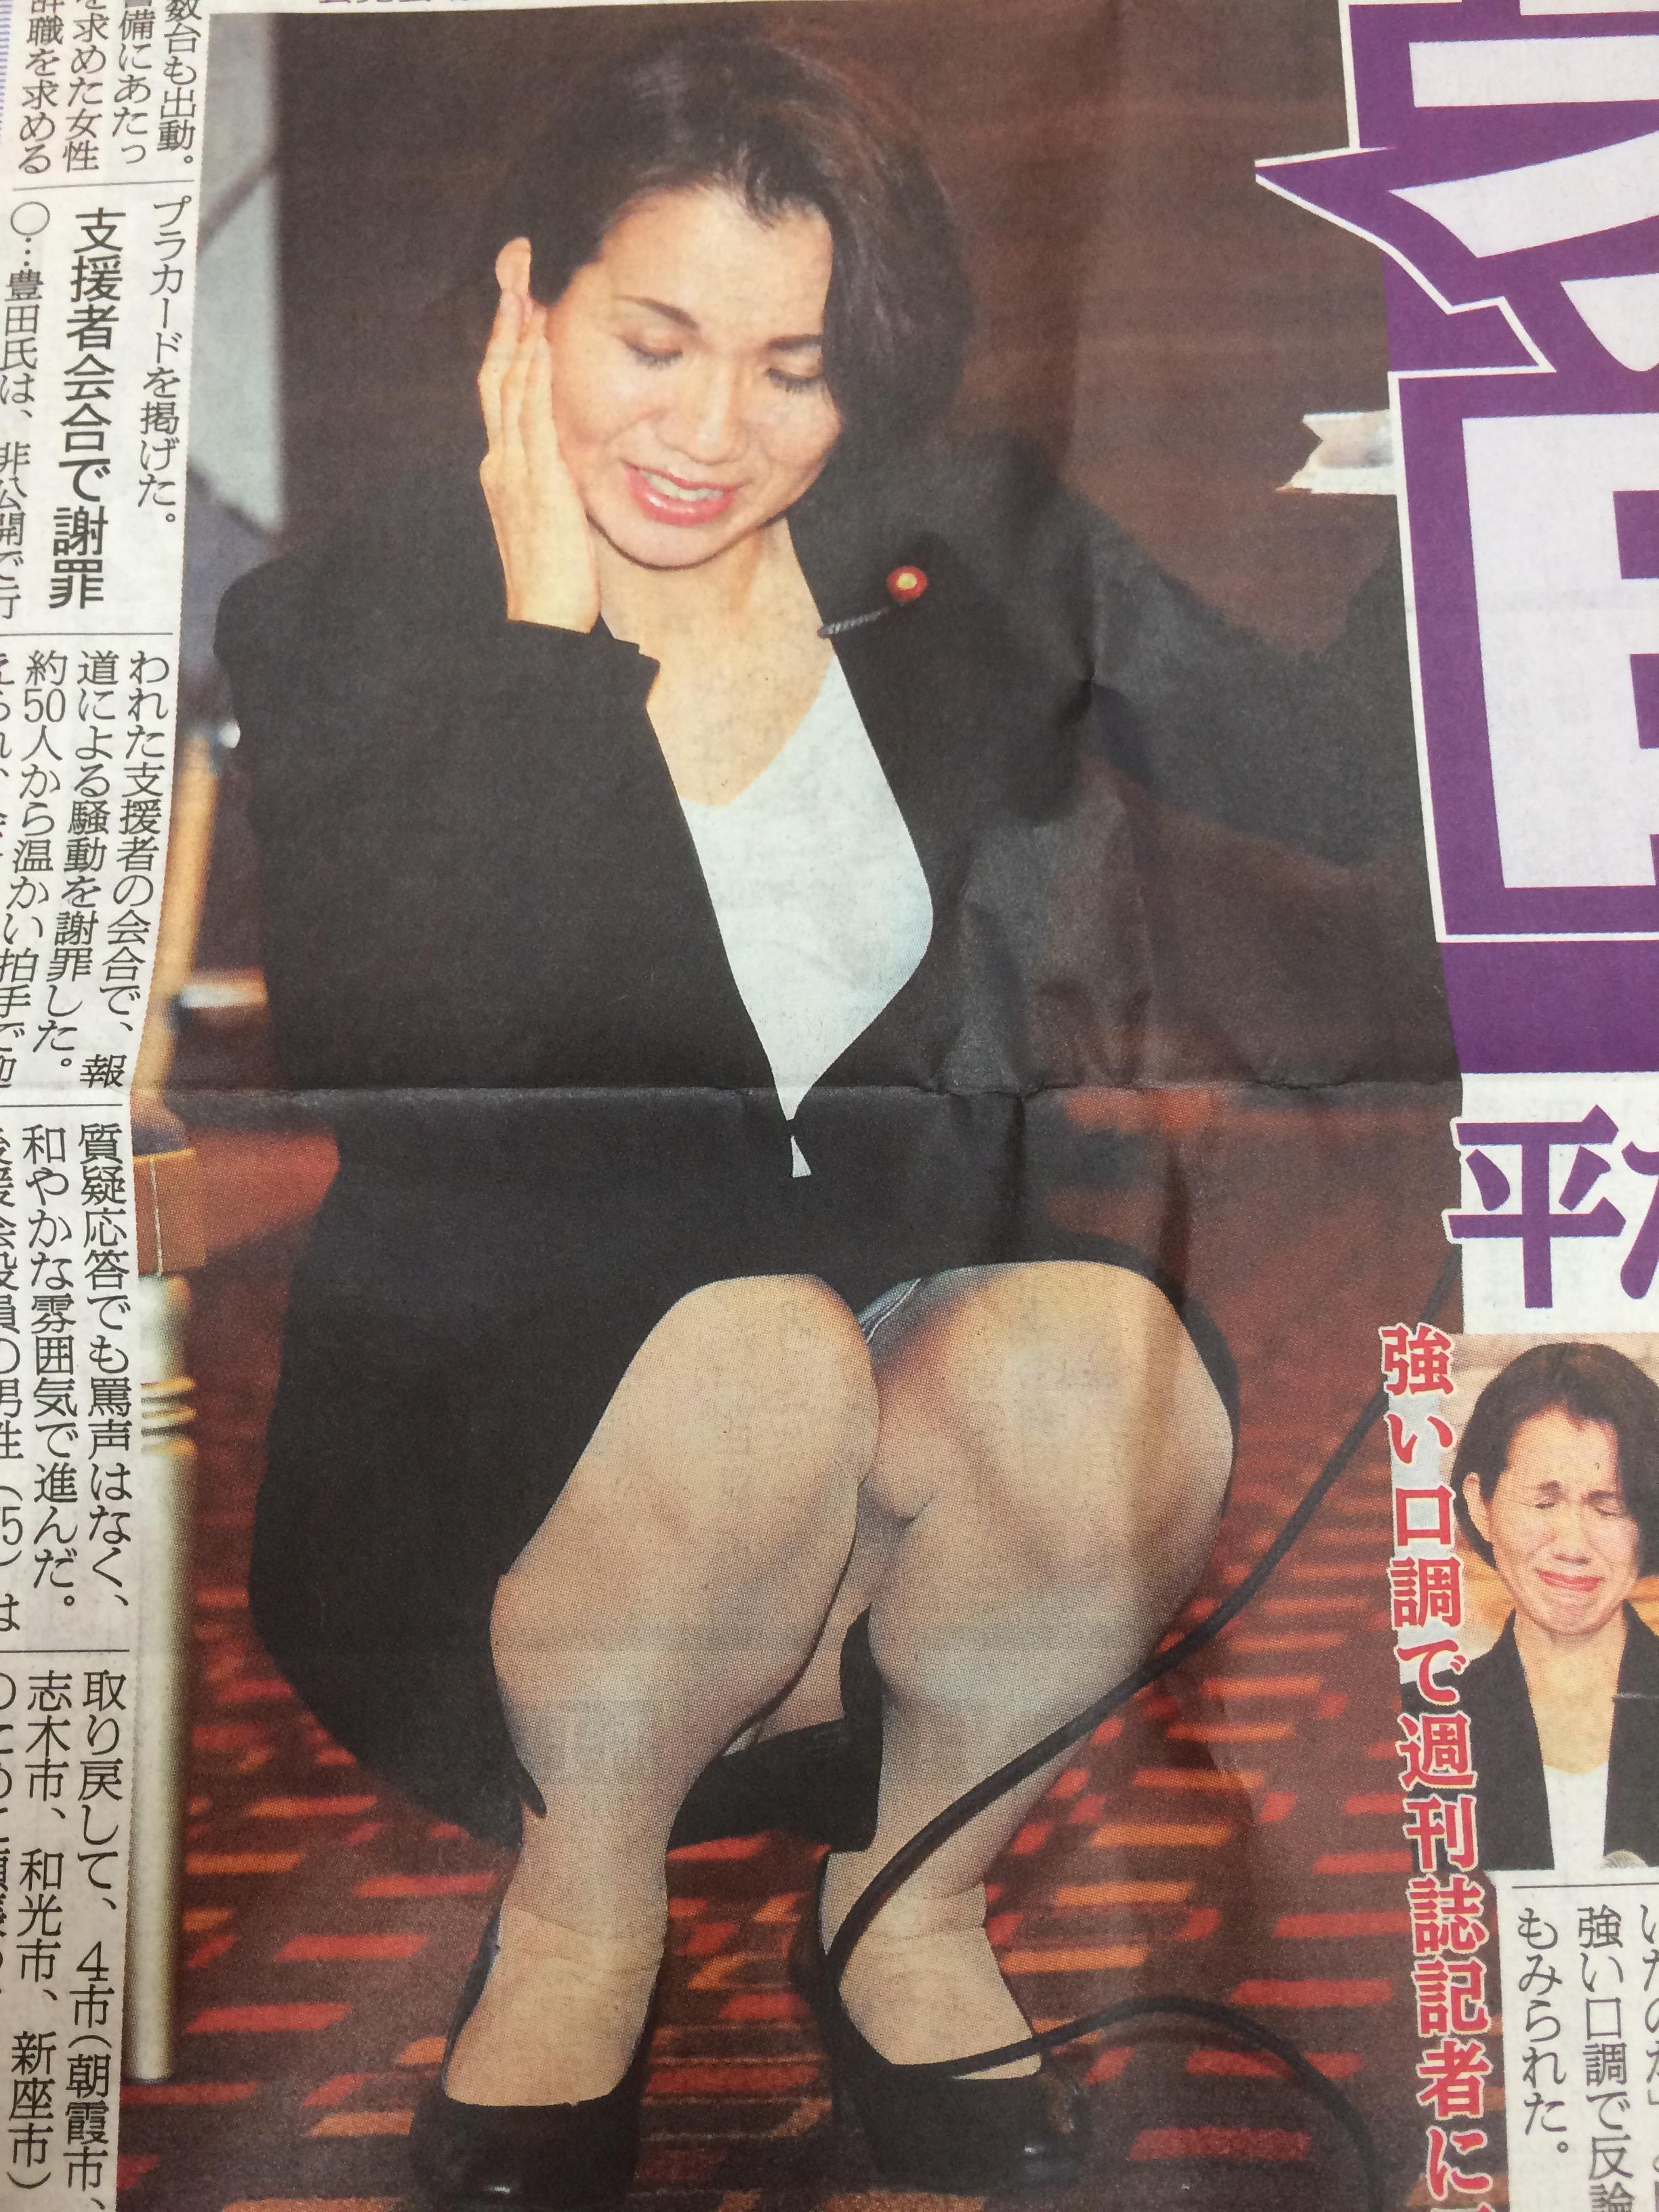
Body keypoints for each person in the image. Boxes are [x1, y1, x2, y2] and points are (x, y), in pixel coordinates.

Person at [214, 26, 1421, 2209]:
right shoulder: (348, 623)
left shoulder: (960, 551)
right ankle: (581, 1921)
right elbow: (458, 1080)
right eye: (654, 340)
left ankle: (911, 1907)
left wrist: (1511, 464)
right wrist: (548, 646)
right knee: (759, 1359)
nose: (713, 432)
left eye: (795, 368)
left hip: (877, 1455)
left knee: (1104, 1367)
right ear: (527, 301)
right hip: (503, 1491)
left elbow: (1337, 774)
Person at [1452, 1340, 1659, 1872]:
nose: (1572, 1545)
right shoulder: (1435, 1719)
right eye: (1543, 1503)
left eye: (1609, 1507)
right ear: (1481, 1506)